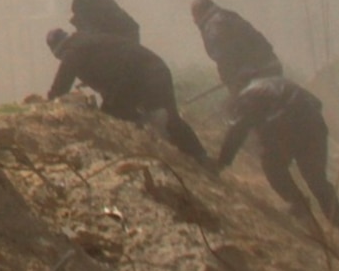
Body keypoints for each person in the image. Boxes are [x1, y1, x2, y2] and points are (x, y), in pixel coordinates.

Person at [215, 76, 339, 260]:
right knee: (317, 180)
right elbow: (317, 103)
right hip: (314, 124)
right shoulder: (276, 83)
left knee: (273, 166)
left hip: (285, 124)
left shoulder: (248, 95)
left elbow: (238, 130)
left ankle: (302, 212)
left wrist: (221, 163)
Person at [45, 26, 213, 166]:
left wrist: (48, 102)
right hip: (153, 69)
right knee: (168, 117)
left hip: (143, 77)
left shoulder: (73, 51)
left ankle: (164, 153)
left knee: (120, 115)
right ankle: (199, 157)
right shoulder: (87, 40)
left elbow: (61, 85)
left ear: (58, 51)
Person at [189, 0, 283, 95]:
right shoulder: (230, 16)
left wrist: (230, 79)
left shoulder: (213, 26)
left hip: (252, 76)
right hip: (272, 67)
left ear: (199, 13)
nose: (194, 21)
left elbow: (224, 56)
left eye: (194, 16)